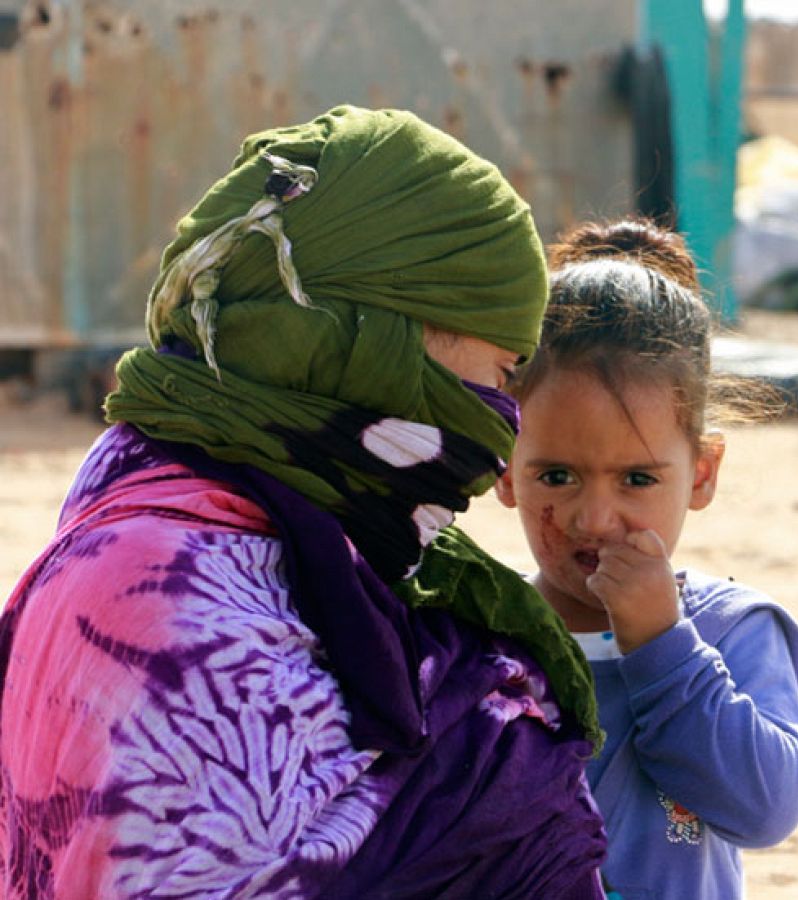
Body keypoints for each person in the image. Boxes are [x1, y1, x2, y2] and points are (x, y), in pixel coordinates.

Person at [0, 106, 608, 897]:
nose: (505, 412)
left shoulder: (200, 500)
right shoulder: (163, 597)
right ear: (382, 345)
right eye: (500, 369)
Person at [490, 219, 798, 899]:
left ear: (701, 474)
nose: (594, 518)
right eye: (556, 476)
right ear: (503, 467)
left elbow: (766, 810)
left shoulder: (734, 629)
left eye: (637, 479)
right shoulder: (480, 633)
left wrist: (662, 645)